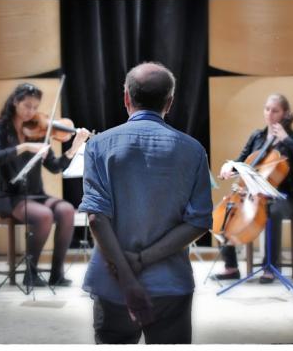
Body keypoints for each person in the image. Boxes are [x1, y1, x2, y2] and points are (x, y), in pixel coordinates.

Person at [78, 62, 213, 344]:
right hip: (170, 283)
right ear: (170, 102)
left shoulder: (98, 145)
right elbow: (200, 222)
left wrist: (127, 280)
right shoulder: (193, 149)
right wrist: (142, 260)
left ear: (126, 97)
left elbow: (95, 218)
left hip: (112, 284)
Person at [0, 83, 90, 287]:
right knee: (44, 215)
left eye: (35, 107)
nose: (31, 112)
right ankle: (30, 273)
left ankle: (56, 273)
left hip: (36, 194)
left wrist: (75, 146)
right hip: (9, 197)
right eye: (27, 106)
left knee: (67, 210)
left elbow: (55, 166)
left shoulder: (38, 130)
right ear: (15, 102)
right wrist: (24, 146)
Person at [211, 94, 293, 283]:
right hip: (254, 195)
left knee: (272, 212)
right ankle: (231, 266)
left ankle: (270, 266)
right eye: (267, 109)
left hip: (286, 198)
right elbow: (242, 160)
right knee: (224, 211)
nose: (270, 113)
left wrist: (286, 139)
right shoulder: (257, 136)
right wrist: (229, 166)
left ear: (284, 113)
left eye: (275, 110)